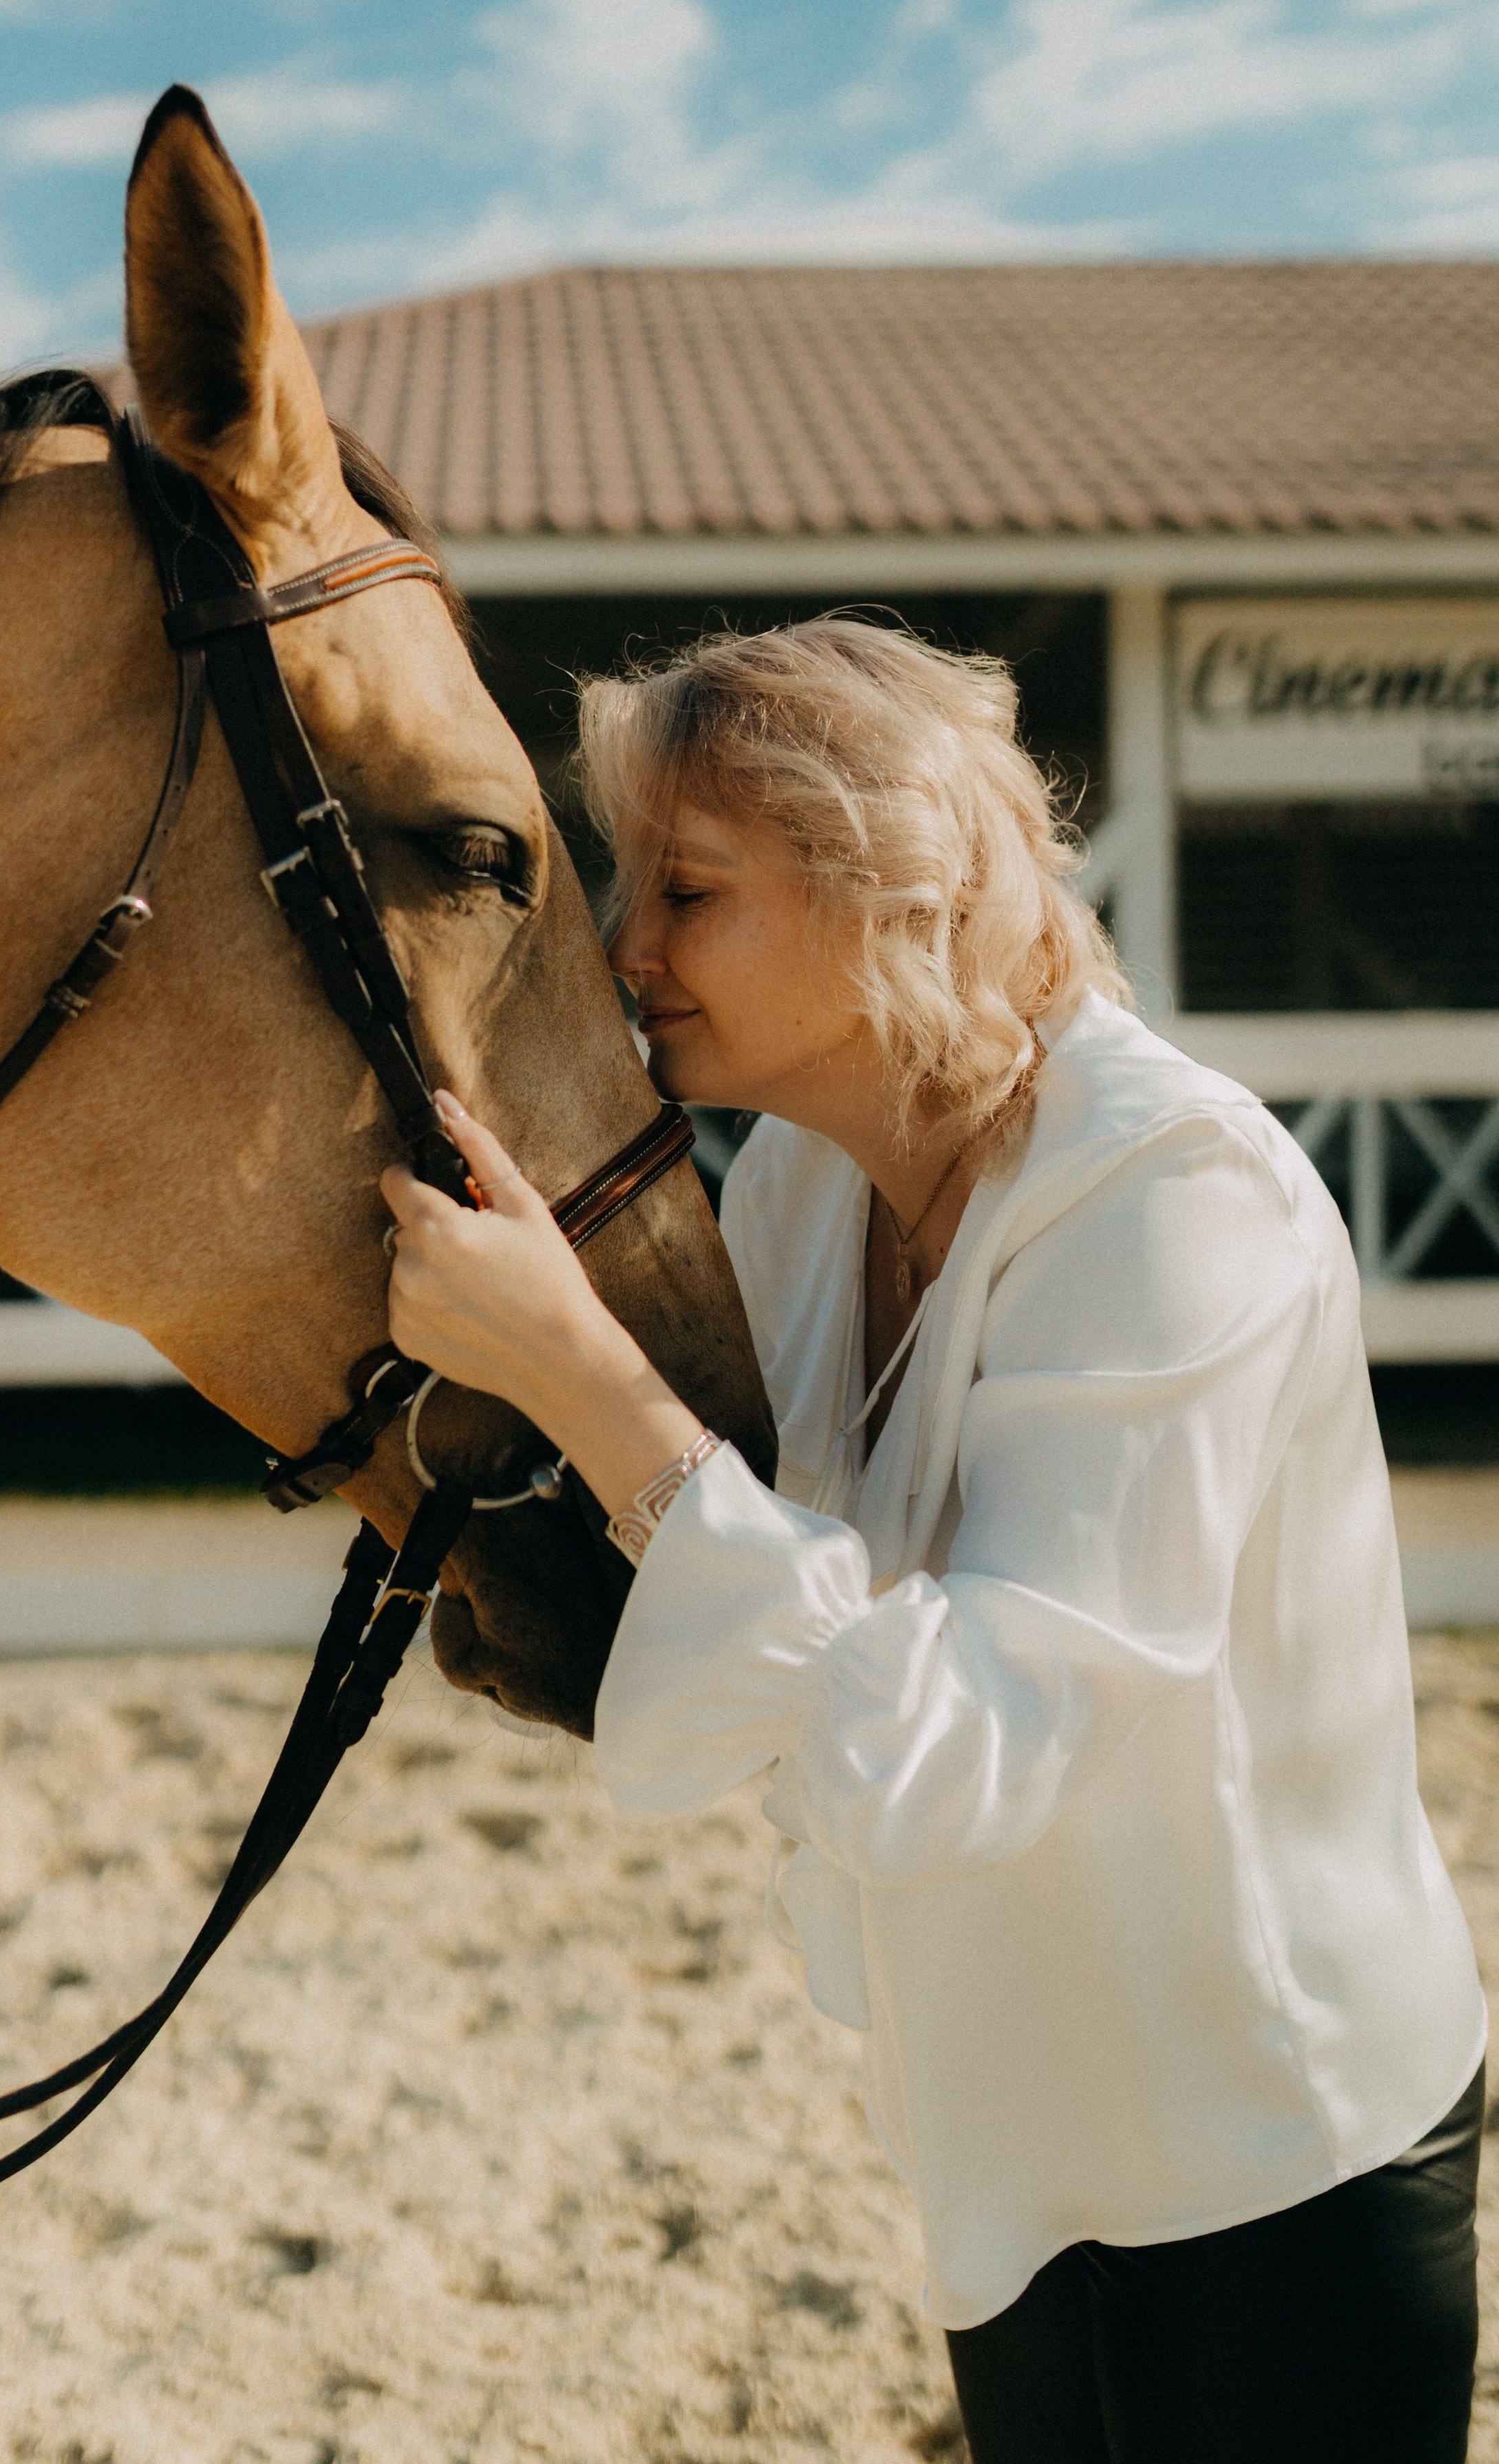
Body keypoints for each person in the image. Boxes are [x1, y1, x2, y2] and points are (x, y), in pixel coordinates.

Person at [379, 618, 1487, 2463]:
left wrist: (581, 1376)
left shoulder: (1172, 1199)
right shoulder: (807, 1189)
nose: (627, 946)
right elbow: (763, 1591)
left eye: (690, 891)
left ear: (895, 894)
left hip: (1265, 2138)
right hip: (1001, 2126)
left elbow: (967, 1734)